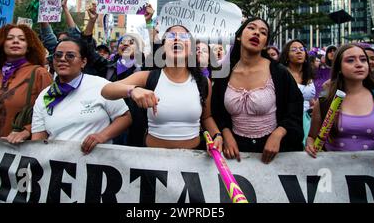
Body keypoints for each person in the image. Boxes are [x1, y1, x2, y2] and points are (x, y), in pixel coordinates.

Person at [101, 25, 223, 151]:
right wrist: (132, 90)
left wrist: (217, 135)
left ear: (191, 49)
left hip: (193, 161)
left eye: (183, 36)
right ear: (163, 48)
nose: (176, 39)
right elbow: (106, 90)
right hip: (153, 162)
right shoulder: (148, 77)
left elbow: (206, 117)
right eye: (171, 36)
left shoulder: (203, 82)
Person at [211, 17, 304, 164]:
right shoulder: (224, 74)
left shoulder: (279, 73)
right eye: (251, 28)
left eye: (263, 32)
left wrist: (278, 134)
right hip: (235, 154)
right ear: (239, 36)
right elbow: (215, 112)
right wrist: (226, 134)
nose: (256, 33)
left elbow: (295, 108)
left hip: (275, 153)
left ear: (265, 43)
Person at [31, 38, 131, 154]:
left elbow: (125, 117)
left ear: (83, 62)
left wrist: (102, 136)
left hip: (95, 165)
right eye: (58, 55)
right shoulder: (45, 96)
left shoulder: (101, 86)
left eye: (70, 56)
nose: (62, 59)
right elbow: (38, 139)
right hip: (57, 167)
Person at [305, 44, 374, 167]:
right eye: (350, 60)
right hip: (334, 173)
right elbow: (312, 137)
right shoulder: (324, 101)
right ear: (339, 67)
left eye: (363, 59)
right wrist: (310, 145)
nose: (359, 64)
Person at [0, 24, 52, 143]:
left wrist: (26, 131)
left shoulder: (39, 73)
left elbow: (52, 112)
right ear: (1, 45)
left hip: (21, 150)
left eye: (22, 39)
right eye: (10, 38)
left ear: (29, 46)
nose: (15, 41)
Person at [279, 39, 316, 146]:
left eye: (301, 49)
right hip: (289, 121)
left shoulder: (309, 73)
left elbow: (310, 99)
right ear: (287, 55)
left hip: (308, 121)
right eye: (294, 50)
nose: (299, 52)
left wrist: (315, 107)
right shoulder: (282, 73)